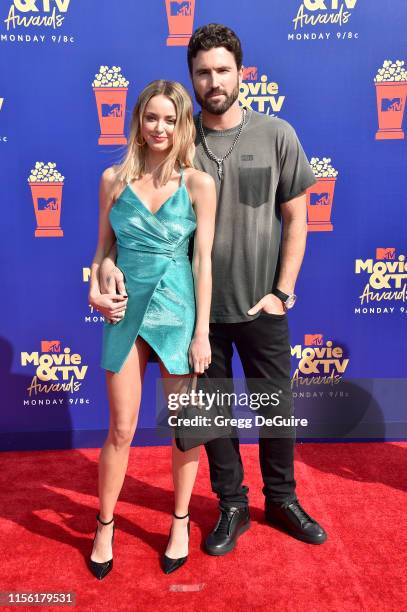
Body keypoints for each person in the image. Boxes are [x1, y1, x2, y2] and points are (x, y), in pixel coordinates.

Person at [100, 24, 327, 557]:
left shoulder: (277, 134)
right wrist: (106, 267)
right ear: (192, 80)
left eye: (223, 69)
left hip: (260, 303)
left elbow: (298, 220)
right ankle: (231, 504)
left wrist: (282, 293)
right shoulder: (177, 140)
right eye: (203, 72)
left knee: (275, 409)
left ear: (241, 73)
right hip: (192, 313)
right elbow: (129, 223)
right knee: (211, 421)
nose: (214, 80)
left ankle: (283, 499)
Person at [87, 79, 216, 579]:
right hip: (124, 311)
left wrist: (202, 331)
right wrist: (98, 284)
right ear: (137, 121)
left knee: (185, 431)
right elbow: (101, 252)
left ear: (183, 125)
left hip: (180, 312)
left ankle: (180, 521)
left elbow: (202, 262)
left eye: (170, 119)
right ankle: (104, 525)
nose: (159, 128)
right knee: (121, 428)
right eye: (150, 117)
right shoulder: (112, 180)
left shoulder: (199, 184)